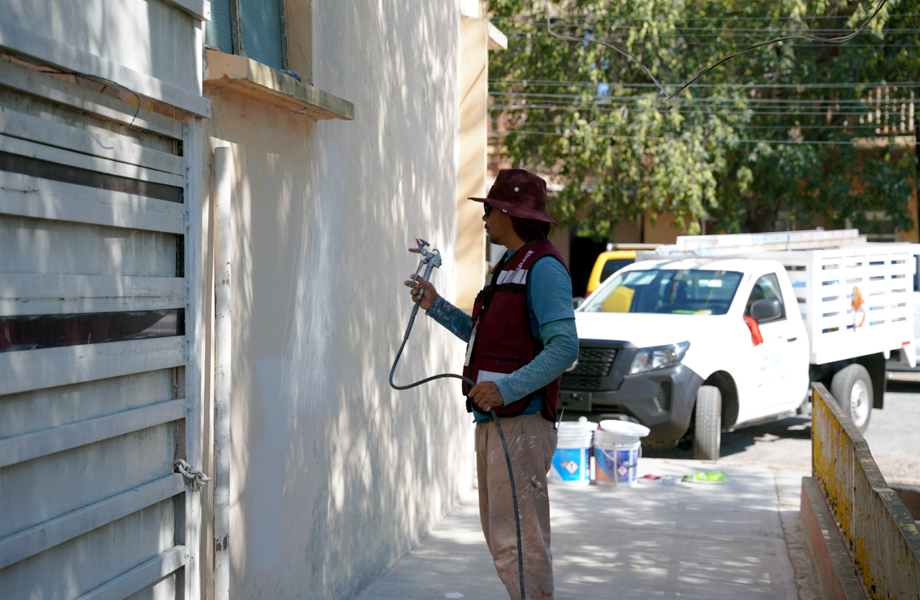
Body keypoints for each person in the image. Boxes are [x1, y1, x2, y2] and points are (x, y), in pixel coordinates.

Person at [405, 169, 578, 599]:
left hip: (522, 423)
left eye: (490, 210)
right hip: (497, 422)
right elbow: (487, 337)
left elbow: (564, 349)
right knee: (505, 540)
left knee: (521, 543)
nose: (484, 219)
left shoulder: (544, 269)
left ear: (509, 213)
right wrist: (436, 306)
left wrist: (505, 389)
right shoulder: (506, 267)